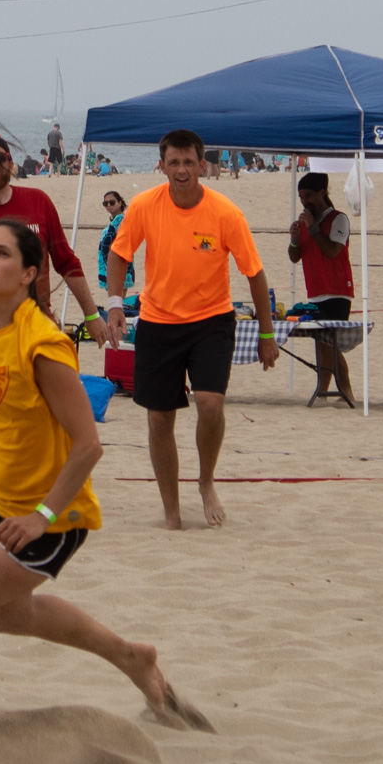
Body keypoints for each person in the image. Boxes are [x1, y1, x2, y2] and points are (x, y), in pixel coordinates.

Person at [0, 220, 212, 731]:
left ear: (29, 274)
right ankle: (131, 657)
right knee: (9, 616)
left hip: (51, 515)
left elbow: (88, 445)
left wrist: (42, 516)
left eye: (2, 254)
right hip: (1, 498)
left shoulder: (44, 344)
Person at [106, 129, 279, 532]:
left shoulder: (225, 213)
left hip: (211, 321)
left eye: (188, 162)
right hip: (157, 321)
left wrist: (267, 335)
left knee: (210, 404)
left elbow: (254, 273)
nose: (181, 170)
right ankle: (172, 511)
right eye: (174, 162)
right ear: (162, 166)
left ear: (202, 166)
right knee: (159, 419)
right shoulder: (145, 205)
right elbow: (118, 255)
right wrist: (114, 306)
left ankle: (206, 481)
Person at [0, 134, 108, 366]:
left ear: (11, 163)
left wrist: (91, 315)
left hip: (40, 332)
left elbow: (67, 262)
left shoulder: (39, 202)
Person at [288, 172, 355, 404]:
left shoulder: (338, 219)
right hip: (315, 291)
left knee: (330, 342)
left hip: (337, 290)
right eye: (301, 197)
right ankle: (323, 391)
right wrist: (294, 239)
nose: (304, 201)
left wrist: (313, 228)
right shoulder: (306, 222)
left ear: (322, 193)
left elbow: (333, 251)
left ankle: (346, 391)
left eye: (308, 196)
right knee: (322, 343)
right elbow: (294, 257)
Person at [97, 191, 135, 296]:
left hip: (118, 264)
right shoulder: (117, 220)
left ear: (120, 203)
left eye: (112, 202)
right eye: (105, 203)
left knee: (117, 298)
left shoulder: (121, 220)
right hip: (116, 264)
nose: (108, 205)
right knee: (118, 298)